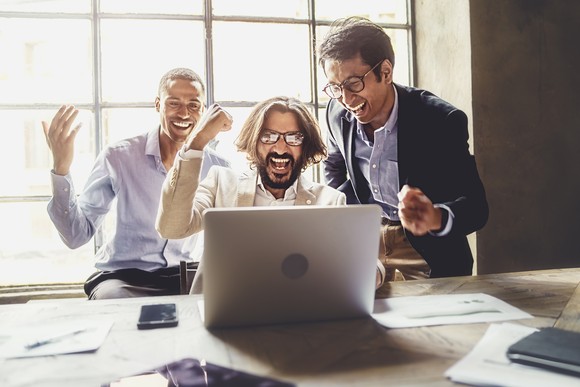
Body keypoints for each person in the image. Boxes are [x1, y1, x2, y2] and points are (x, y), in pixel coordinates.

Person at [317, 17, 488, 295]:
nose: (346, 100)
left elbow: (477, 208)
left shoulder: (441, 120)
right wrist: (342, 210)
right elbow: (334, 164)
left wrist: (435, 217)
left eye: (354, 84)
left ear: (385, 72)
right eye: (335, 87)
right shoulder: (336, 113)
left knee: (431, 334)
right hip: (365, 241)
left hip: (426, 250)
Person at [155, 96, 386, 293]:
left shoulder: (330, 201)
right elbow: (171, 227)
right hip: (224, 322)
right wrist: (197, 142)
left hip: (300, 322)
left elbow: (369, 266)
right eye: (269, 136)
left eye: (294, 138)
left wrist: (371, 272)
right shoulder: (221, 183)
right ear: (254, 143)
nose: (281, 148)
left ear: (306, 147)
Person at [42, 67, 229, 299]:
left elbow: (230, 236)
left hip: (186, 276)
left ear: (203, 111)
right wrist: (61, 169)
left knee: (232, 301)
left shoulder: (217, 166)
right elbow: (75, 236)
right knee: (112, 301)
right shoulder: (119, 157)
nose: (184, 114)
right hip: (124, 278)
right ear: (158, 104)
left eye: (193, 105)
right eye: (174, 103)